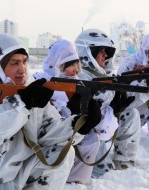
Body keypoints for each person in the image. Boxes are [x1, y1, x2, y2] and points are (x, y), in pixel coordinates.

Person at [0, 34, 101, 189]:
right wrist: (21, 103)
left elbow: (47, 130)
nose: (22, 69)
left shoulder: (30, 87)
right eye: (15, 63)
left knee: (63, 154)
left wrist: (78, 125)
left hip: (18, 173)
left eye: (25, 61)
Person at [75, 28, 140, 177]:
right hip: (86, 134)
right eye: (101, 51)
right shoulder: (79, 76)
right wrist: (110, 110)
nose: (105, 55)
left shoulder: (104, 75)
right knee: (102, 172)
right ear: (88, 53)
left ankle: (125, 159)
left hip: (104, 126)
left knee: (131, 114)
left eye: (107, 52)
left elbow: (132, 100)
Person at [34, 39, 100, 184]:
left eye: (77, 63)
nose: (76, 69)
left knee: (92, 138)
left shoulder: (76, 83)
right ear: (58, 65)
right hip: (46, 142)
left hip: (67, 137)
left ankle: (77, 182)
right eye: (70, 65)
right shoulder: (41, 82)